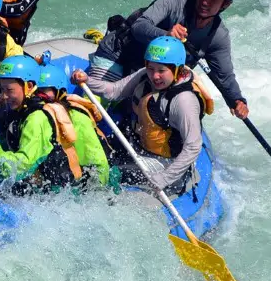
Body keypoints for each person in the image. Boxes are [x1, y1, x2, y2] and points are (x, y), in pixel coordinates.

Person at [87, 0, 248, 119]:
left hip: (150, 75)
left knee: (147, 121)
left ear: (225, 4)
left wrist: (237, 100)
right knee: (93, 107)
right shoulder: (173, 1)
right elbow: (139, 26)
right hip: (119, 55)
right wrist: (166, 34)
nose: (205, 1)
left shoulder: (218, 36)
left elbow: (224, 76)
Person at [71, 36, 214, 194]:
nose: (155, 76)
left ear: (177, 69)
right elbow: (114, 91)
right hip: (138, 146)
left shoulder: (183, 101)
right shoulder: (146, 74)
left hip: (165, 162)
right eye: (151, 68)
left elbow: (193, 147)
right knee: (92, 155)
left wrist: (164, 178)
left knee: (108, 171)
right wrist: (87, 80)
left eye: (161, 71)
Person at [0, 55, 103, 191]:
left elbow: (23, 164)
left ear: (29, 86)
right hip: (46, 187)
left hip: (58, 192)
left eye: (9, 90)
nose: (4, 96)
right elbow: (11, 150)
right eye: (2, 89)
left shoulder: (37, 118)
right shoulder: (23, 113)